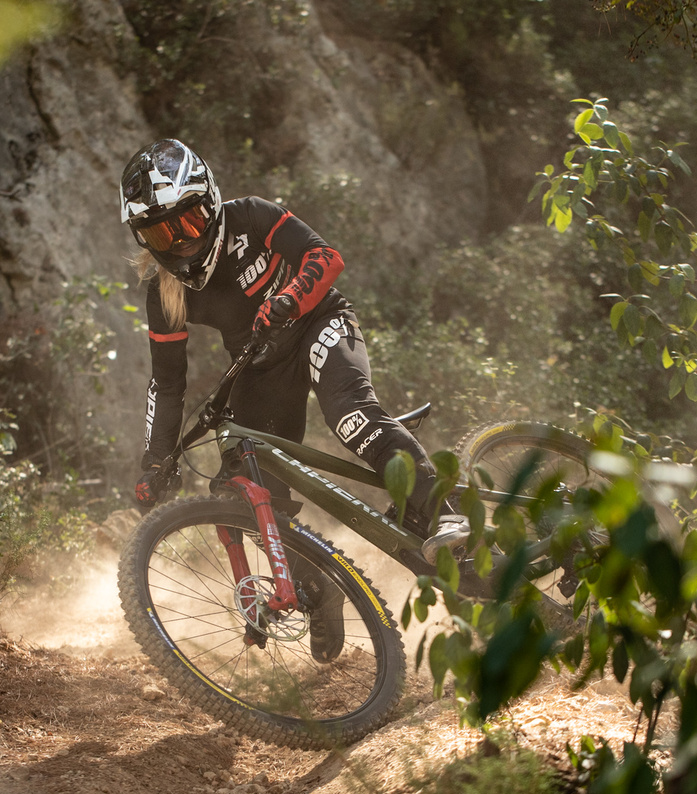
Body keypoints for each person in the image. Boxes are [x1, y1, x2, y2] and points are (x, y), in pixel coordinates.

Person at [120, 139, 467, 656]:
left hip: (319, 322)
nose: (181, 243)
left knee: (352, 417)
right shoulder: (163, 293)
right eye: (160, 233)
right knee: (241, 487)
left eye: (189, 224)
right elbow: (168, 384)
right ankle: (316, 590)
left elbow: (326, 257)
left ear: (210, 202)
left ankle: (446, 509)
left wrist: (289, 298)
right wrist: (155, 462)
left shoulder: (251, 216)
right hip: (260, 363)